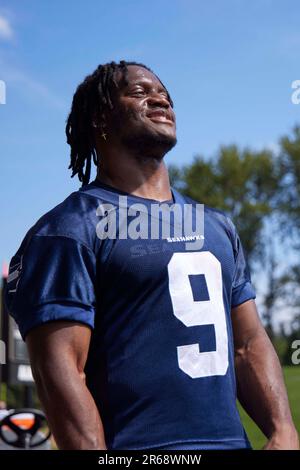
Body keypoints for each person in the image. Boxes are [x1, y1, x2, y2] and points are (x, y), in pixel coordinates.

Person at [5, 60, 299, 450]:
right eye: (140, 92)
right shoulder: (68, 231)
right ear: (100, 118)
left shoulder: (216, 226)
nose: (160, 99)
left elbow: (248, 343)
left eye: (164, 94)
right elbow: (60, 372)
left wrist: (284, 431)